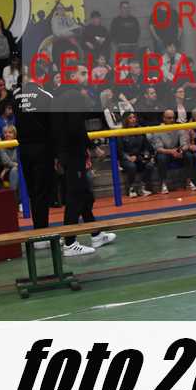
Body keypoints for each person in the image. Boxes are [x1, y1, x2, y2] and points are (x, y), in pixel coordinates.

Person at [53, 64, 116, 256]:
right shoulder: (74, 95)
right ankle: (69, 242)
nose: (86, 76)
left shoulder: (58, 95)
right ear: (72, 76)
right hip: (73, 153)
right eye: (82, 73)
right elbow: (76, 127)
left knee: (85, 195)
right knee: (75, 197)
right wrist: (92, 147)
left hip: (65, 152)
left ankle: (95, 233)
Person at [14, 75, 55, 246]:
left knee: (32, 191)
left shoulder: (16, 96)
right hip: (42, 149)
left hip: (24, 149)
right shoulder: (46, 96)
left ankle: (38, 231)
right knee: (42, 192)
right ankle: (41, 234)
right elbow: (52, 125)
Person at [149, 108, 196, 194]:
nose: (172, 120)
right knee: (161, 158)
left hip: (177, 152)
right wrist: (171, 151)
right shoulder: (157, 129)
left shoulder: (178, 127)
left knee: (189, 155)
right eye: (169, 118)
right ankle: (163, 184)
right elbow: (159, 148)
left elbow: (185, 144)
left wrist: (180, 151)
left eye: (173, 118)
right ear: (164, 118)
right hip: (165, 153)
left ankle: (189, 181)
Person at [118, 112, 154, 197]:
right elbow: (120, 150)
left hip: (138, 156)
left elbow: (146, 146)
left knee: (149, 165)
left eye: (134, 117)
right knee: (132, 166)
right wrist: (128, 157)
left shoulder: (140, 130)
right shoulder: (121, 132)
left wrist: (146, 155)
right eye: (130, 118)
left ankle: (142, 187)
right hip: (126, 158)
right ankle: (131, 188)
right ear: (126, 120)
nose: (133, 119)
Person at [0, 124, 19, 201]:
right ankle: (14, 200)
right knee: (15, 170)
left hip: (9, 170)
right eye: (5, 133)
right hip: (4, 173)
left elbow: (19, 160)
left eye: (10, 132)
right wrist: (15, 165)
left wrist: (8, 167)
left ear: (15, 135)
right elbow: (6, 161)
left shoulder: (18, 144)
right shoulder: (1, 145)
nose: (7, 134)